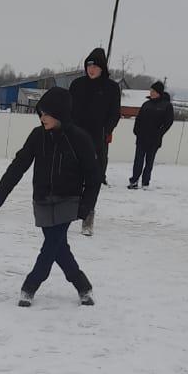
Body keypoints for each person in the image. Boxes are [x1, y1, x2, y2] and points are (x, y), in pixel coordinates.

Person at [0, 87, 100, 308]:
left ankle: (30, 285)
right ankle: (82, 285)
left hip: (68, 200)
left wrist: (86, 206)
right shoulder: (37, 136)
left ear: (60, 112)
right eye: (41, 113)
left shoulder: (79, 139)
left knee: (51, 245)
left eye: (47, 113)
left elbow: (93, 176)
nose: (42, 117)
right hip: (42, 199)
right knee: (59, 247)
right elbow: (18, 166)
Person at [69, 47, 120, 235]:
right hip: (75, 139)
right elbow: (68, 108)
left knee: (93, 179)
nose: (92, 69)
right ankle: (68, 211)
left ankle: (88, 216)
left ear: (102, 68)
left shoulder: (112, 88)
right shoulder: (77, 85)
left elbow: (115, 114)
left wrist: (106, 131)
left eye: (96, 66)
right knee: (73, 177)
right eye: (89, 65)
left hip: (97, 141)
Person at [129, 81, 175, 190]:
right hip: (141, 138)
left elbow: (168, 122)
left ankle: (145, 182)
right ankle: (134, 181)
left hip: (154, 139)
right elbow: (138, 118)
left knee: (149, 162)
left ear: (159, 92)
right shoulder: (146, 104)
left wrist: (159, 133)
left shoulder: (166, 105)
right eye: (151, 91)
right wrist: (136, 130)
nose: (152, 93)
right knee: (138, 160)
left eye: (154, 91)